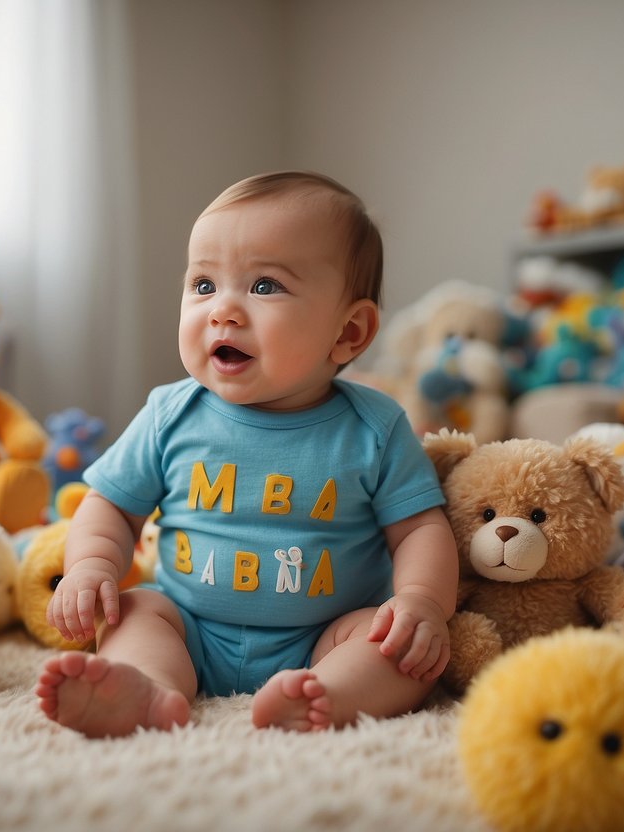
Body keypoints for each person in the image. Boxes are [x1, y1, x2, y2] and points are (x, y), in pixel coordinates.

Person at [36, 171, 458, 737]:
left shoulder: (374, 427)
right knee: (135, 612)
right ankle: (149, 690)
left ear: (349, 332)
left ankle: (327, 697)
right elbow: (110, 507)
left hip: (324, 636)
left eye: (264, 287)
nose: (222, 311)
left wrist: (421, 602)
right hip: (189, 625)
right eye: (203, 285)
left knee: (400, 649)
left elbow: (419, 530)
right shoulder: (170, 414)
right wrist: (91, 565)